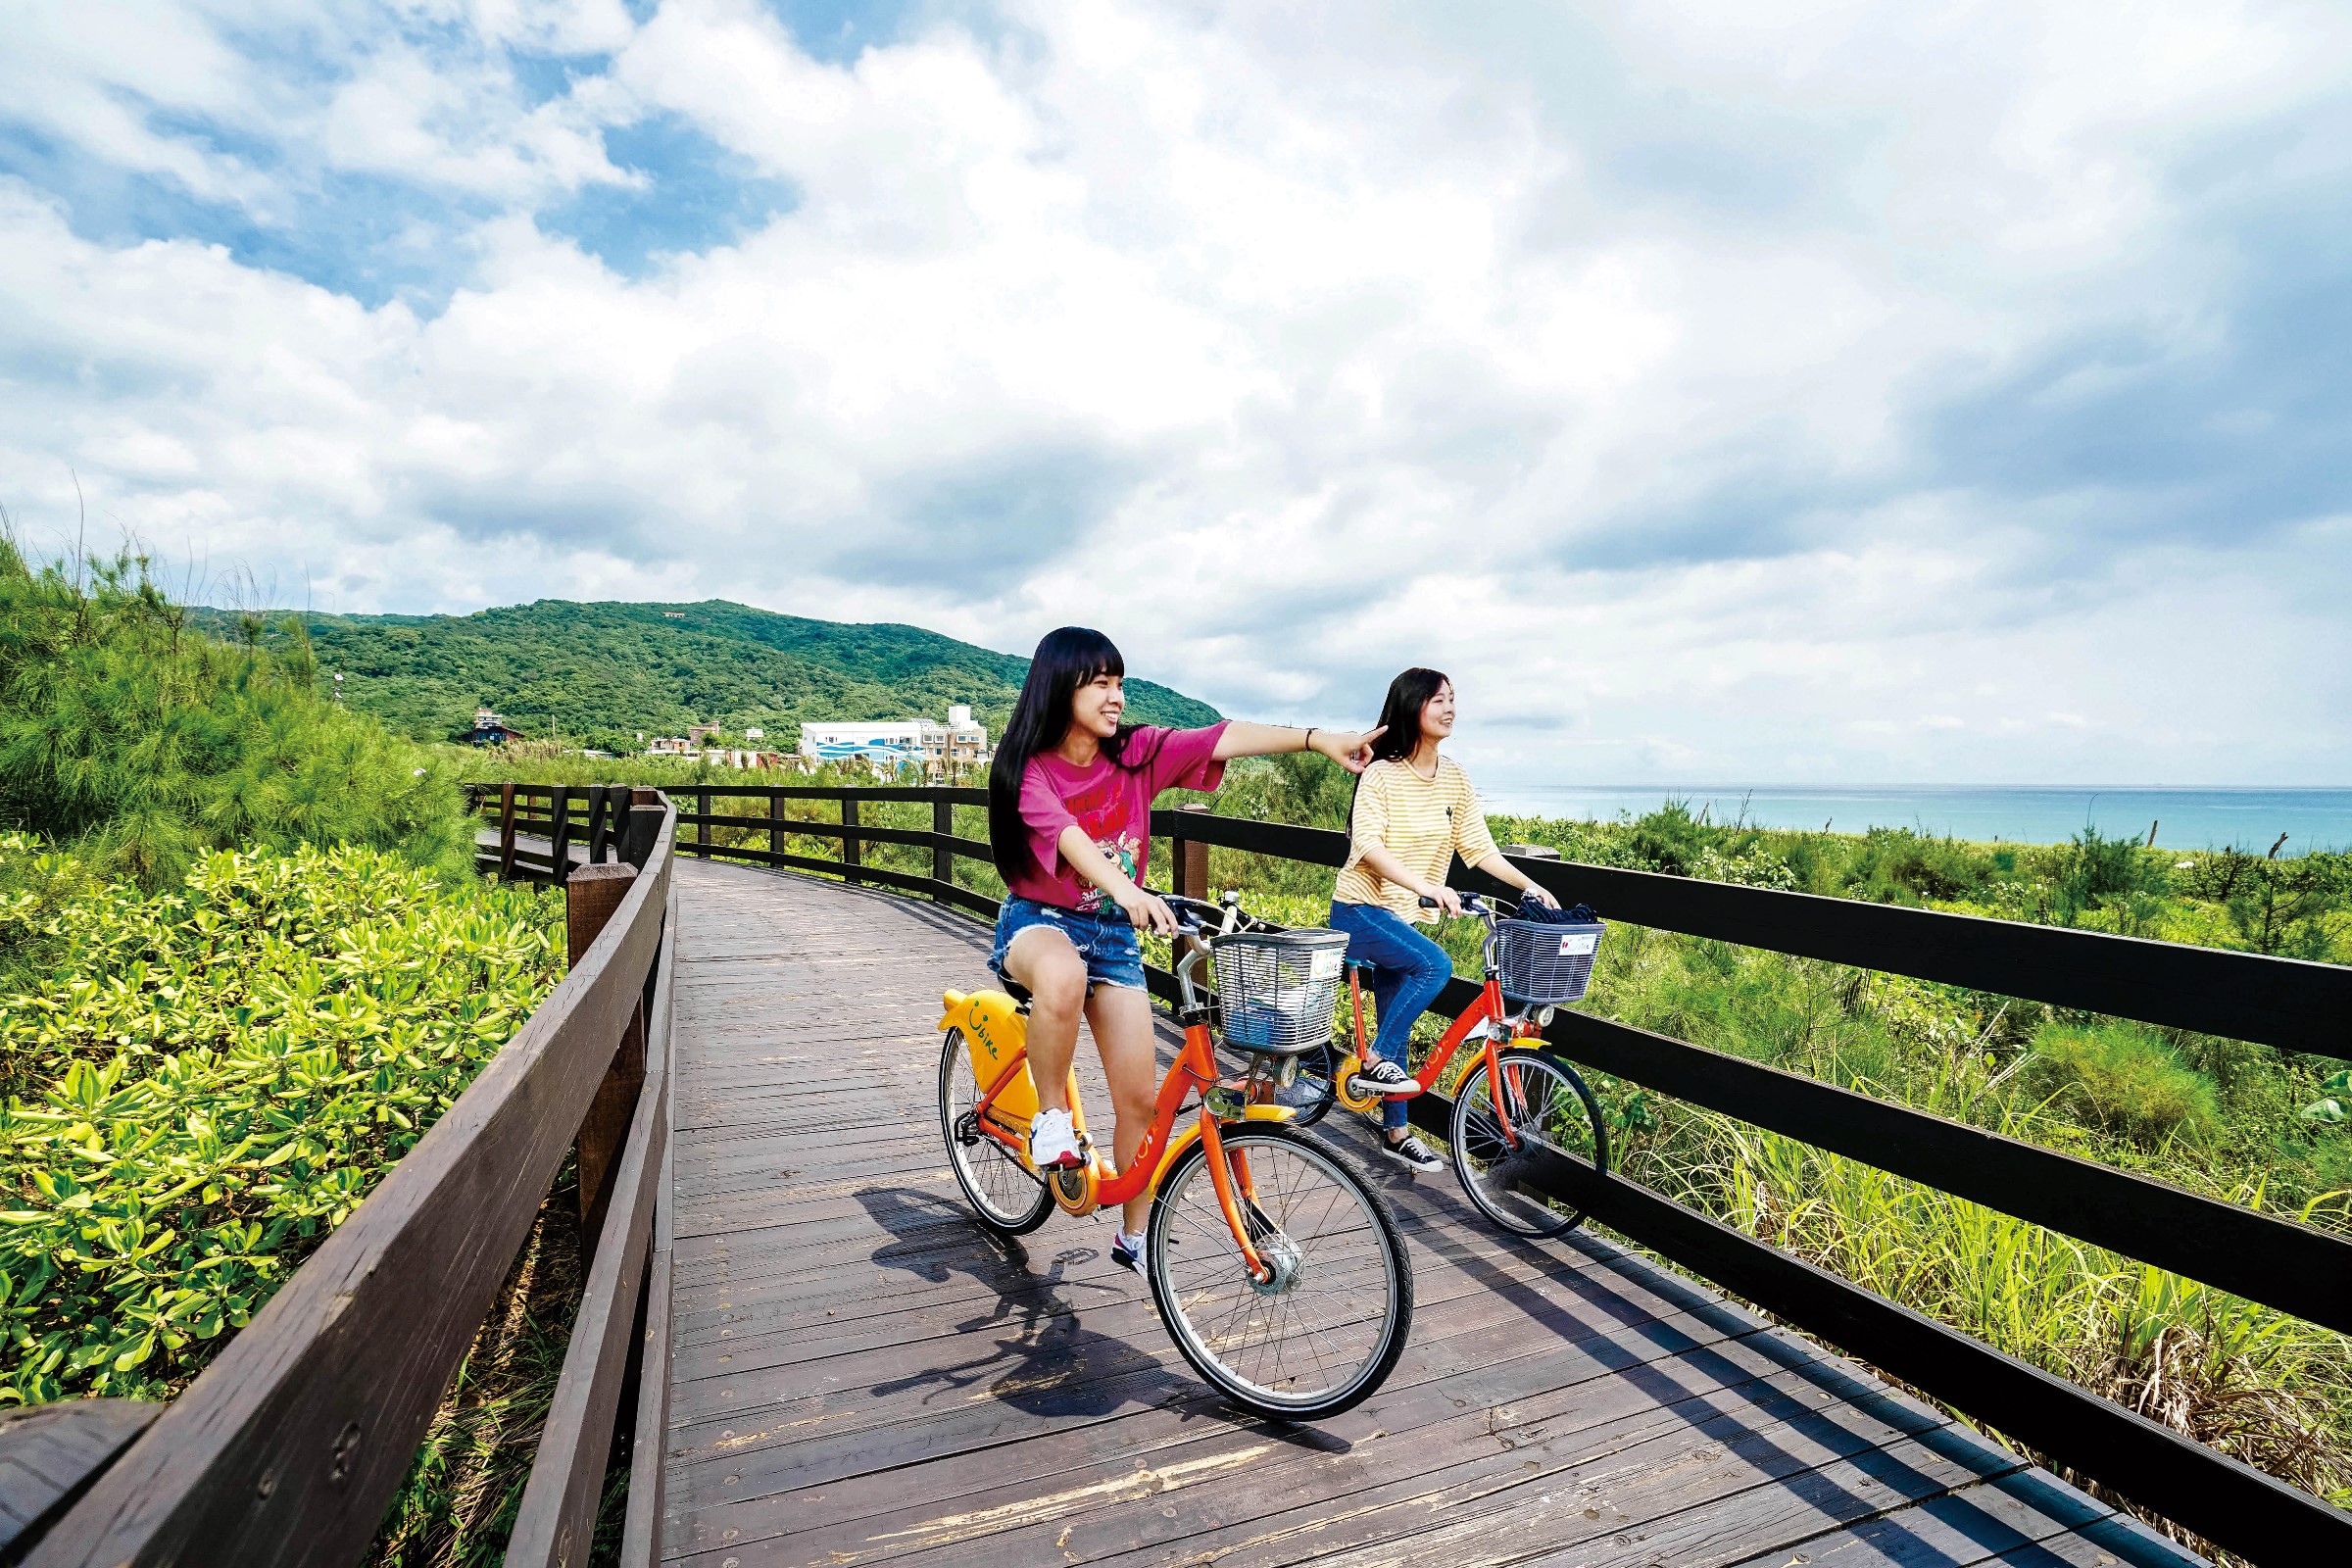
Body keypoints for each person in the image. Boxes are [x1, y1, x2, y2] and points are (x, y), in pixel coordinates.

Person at [988, 627, 1381, 1274]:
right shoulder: (1029, 767)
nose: (1116, 696)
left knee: (1141, 1101)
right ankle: (1051, 1117)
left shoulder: (1137, 752)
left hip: (1113, 938)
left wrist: (1317, 740)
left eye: (1119, 682)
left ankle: (1136, 1238)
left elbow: (1221, 736)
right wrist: (1125, 887)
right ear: (1061, 686)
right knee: (1059, 976)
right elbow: (1069, 841)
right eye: (1100, 683)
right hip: (1040, 922)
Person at [1329, 667, 1558, 1170]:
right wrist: (1428, 886)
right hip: (1361, 910)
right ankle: (1376, 1062)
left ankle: (1396, 1133)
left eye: (1453, 698)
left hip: (1402, 915)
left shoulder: (1454, 776)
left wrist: (1530, 885)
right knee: (1432, 967)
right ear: (1412, 707)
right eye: (1437, 700)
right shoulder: (1381, 774)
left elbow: (1479, 849)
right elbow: (1366, 846)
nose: (1450, 707)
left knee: (1398, 1018)